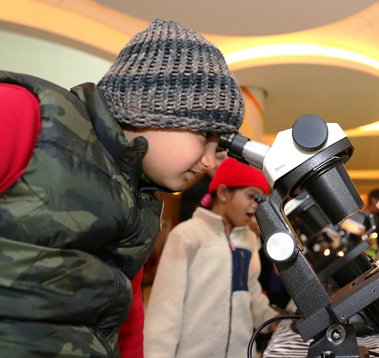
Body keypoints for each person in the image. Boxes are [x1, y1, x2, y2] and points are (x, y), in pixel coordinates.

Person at [0, 19, 244, 357]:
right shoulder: (29, 117)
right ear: (152, 107)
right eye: (205, 137)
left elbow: (125, 322)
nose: (209, 162)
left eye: (217, 148)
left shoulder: (143, 204)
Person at [144, 158, 278, 358]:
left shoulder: (248, 239)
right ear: (223, 193)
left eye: (260, 199)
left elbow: (250, 293)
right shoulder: (187, 236)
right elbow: (164, 312)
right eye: (251, 196)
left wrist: (274, 319)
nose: (255, 206)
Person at [178, 151, 228, 222]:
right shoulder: (193, 194)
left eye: (231, 160)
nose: (226, 164)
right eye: (219, 158)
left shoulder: (238, 190)